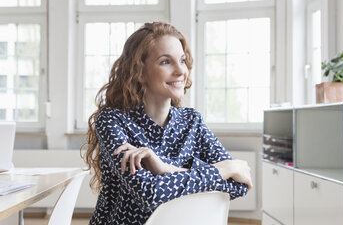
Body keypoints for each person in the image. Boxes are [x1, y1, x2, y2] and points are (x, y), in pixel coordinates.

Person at [83, 22, 252, 225]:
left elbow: (239, 185)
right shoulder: (112, 120)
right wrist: (224, 169)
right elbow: (150, 193)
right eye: (165, 62)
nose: (181, 70)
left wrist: (165, 169)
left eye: (182, 60)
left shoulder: (192, 122)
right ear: (139, 71)